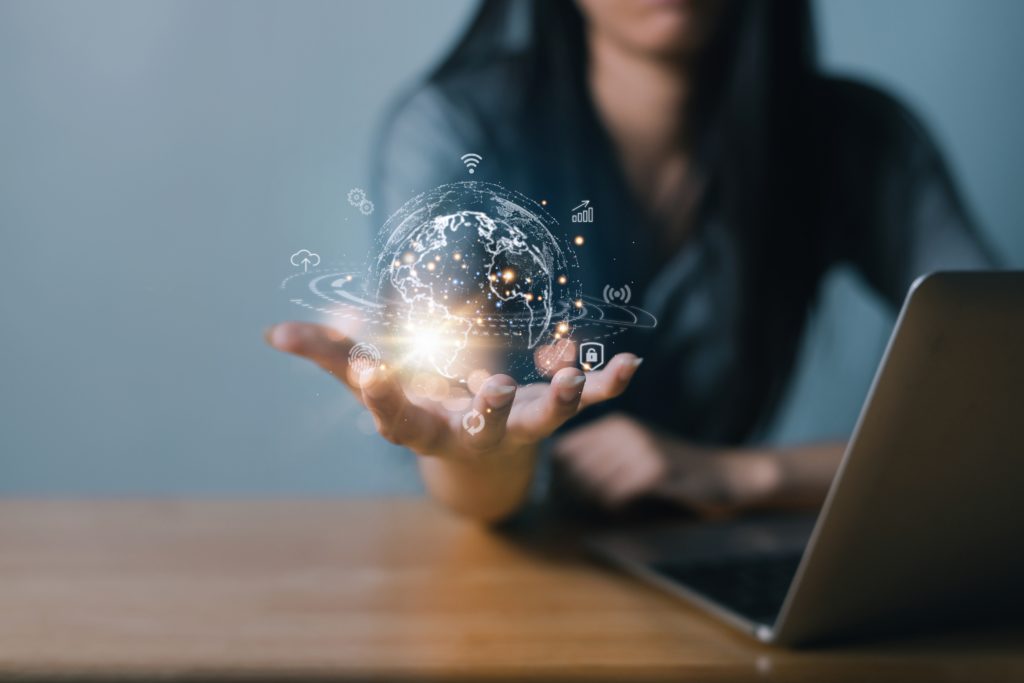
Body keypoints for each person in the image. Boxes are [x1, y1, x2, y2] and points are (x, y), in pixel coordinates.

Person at [266, 0, 996, 523]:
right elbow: (469, 455)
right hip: (504, 578)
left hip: (716, 557)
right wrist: (479, 450)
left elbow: (999, 406)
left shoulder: (858, 142)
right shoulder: (458, 129)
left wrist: (740, 474)